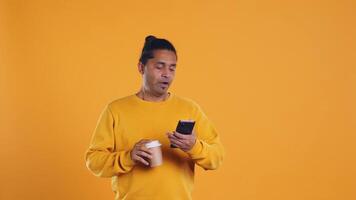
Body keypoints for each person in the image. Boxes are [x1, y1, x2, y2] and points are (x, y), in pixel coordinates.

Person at [85, 35, 225, 200]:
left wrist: (194, 146)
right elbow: (94, 161)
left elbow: (217, 157)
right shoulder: (116, 110)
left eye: (172, 68)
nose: (167, 74)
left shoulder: (189, 109)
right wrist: (129, 156)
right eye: (160, 67)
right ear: (141, 67)